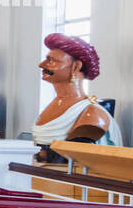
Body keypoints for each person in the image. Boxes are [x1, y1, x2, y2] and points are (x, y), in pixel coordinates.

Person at [31, 33, 121, 163]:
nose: (42, 65)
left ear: (76, 67)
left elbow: (73, 160)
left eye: (51, 60)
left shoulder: (92, 114)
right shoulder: (51, 106)